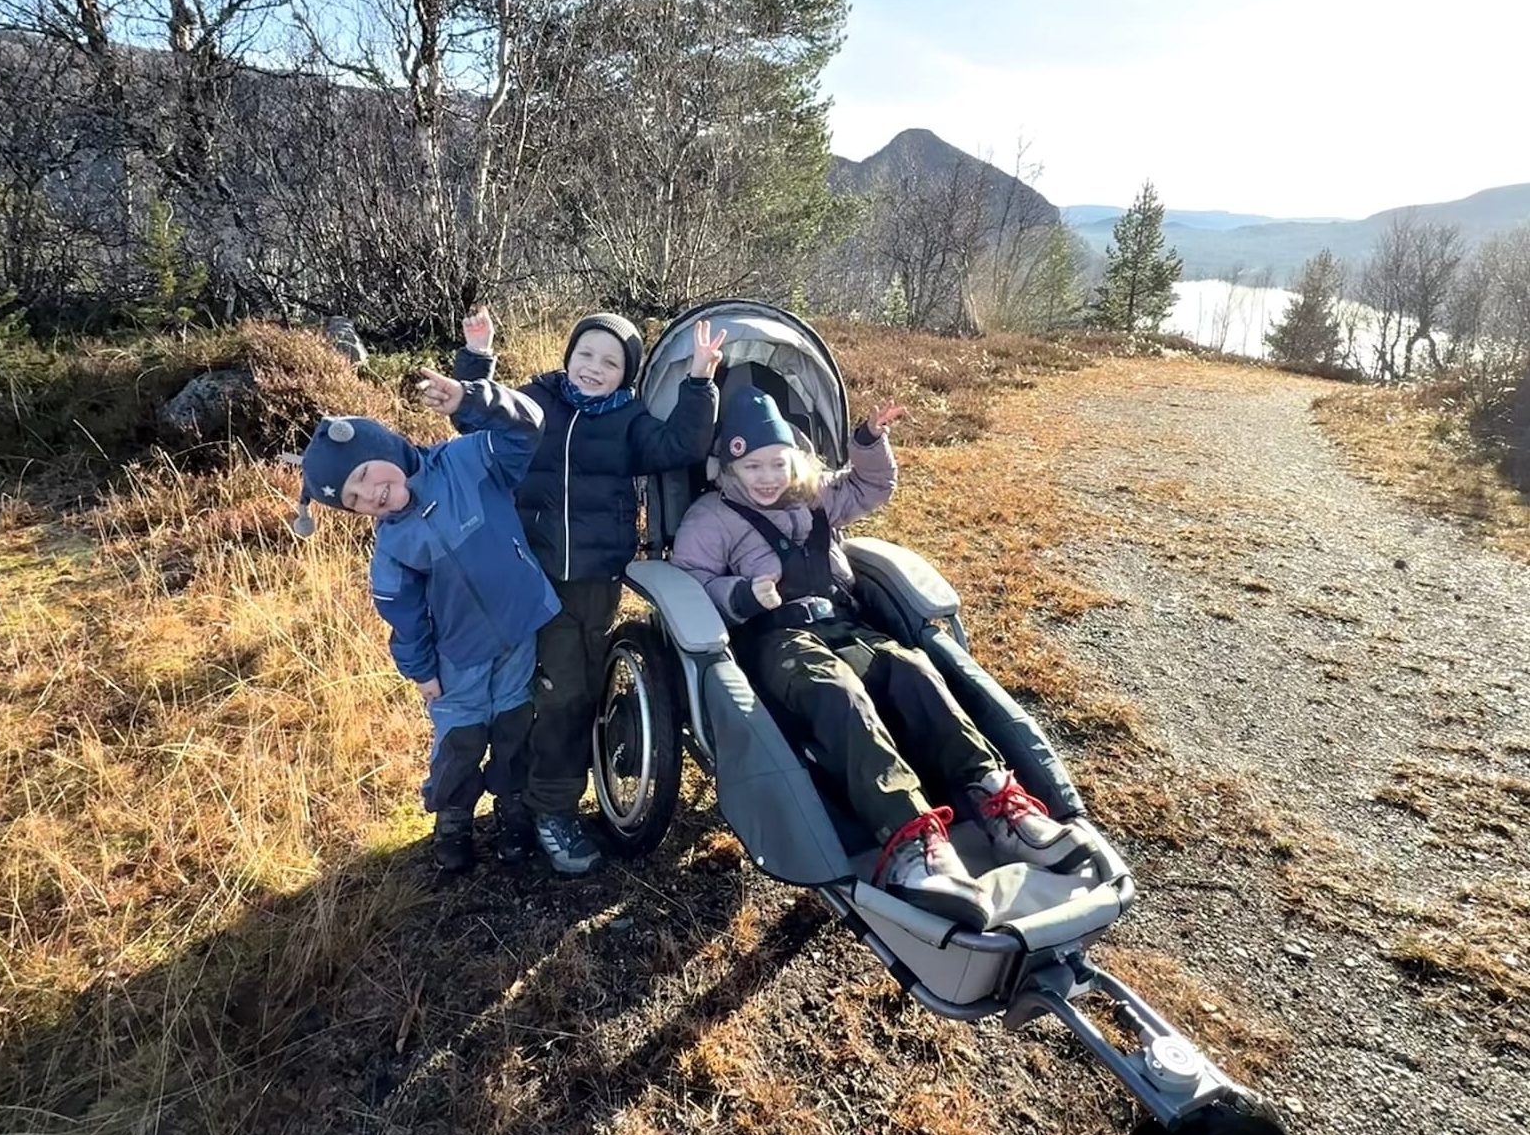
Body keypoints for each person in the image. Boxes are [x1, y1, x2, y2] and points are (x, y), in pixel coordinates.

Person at [670, 386, 1096, 928]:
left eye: (778, 462)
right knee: (837, 691)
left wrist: (869, 441)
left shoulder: (815, 493)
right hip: (775, 636)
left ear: (795, 459)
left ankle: (995, 802)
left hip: (845, 622)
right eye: (752, 466)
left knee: (914, 671)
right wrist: (742, 594)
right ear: (729, 467)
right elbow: (691, 579)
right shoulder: (712, 517)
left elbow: (870, 486)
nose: (767, 477)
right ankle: (911, 842)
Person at [452, 307, 721, 874]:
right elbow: (477, 420)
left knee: (571, 695)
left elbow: (680, 446)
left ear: (626, 375)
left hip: (591, 583)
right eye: (586, 354)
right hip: (523, 574)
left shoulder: (629, 419)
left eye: (611, 362)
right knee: (514, 693)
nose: (594, 368)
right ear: (568, 356)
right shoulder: (538, 400)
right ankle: (512, 801)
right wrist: (477, 358)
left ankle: (552, 808)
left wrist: (699, 380)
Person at [287, 371, 558, 874]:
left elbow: (527, 427)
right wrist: (422, 671)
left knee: (514, 724)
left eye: (364, 475)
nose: (369, 496)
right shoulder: (393, 546)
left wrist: (471, 400)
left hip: (519, 629)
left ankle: (513, 804)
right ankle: (453, 816)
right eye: (352, 500)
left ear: (383, 446)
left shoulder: (465, 462)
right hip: (458, 655)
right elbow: (403, 615)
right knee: (461, 738)